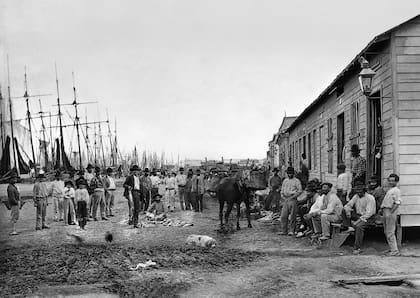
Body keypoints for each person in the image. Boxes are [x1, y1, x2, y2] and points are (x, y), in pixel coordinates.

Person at [342, 181, 377, 254]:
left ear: (364, 190)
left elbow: (369, 213)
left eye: (360, 191)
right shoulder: (356, 196)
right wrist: (348, 211)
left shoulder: (370, 198)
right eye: (357, 191)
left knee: (359, 226)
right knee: (344, 210)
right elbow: (348, 205)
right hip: (359, 215)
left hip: (369, 218)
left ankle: (357, 248)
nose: (359, 192)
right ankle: (348, 227)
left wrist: (357, 221)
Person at [381, 173, 402, 256]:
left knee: (390, 231)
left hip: (390, 210)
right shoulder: (390, 190)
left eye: (393, 181)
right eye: (390, 180)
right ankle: (391, 248)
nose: (391, 182)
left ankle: (395, 251)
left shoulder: (396, 190)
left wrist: (391, 212)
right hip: (386, 210)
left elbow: (397, 203)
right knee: (386, 231)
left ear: (396, 181)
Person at [279, 167, 302, 235]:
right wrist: (283, 197)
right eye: (288, 173)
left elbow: (300, 191)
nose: (290, 174)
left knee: (292, 216)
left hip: (293, 199)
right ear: (287, 173)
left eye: (291, 173)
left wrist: (292, 197)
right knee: (283, 216)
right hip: (285, 199)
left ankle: (292, 230)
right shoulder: (285, 181)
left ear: (293, 173)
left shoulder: (297, 181)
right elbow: (282, 190)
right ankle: (284, 230)